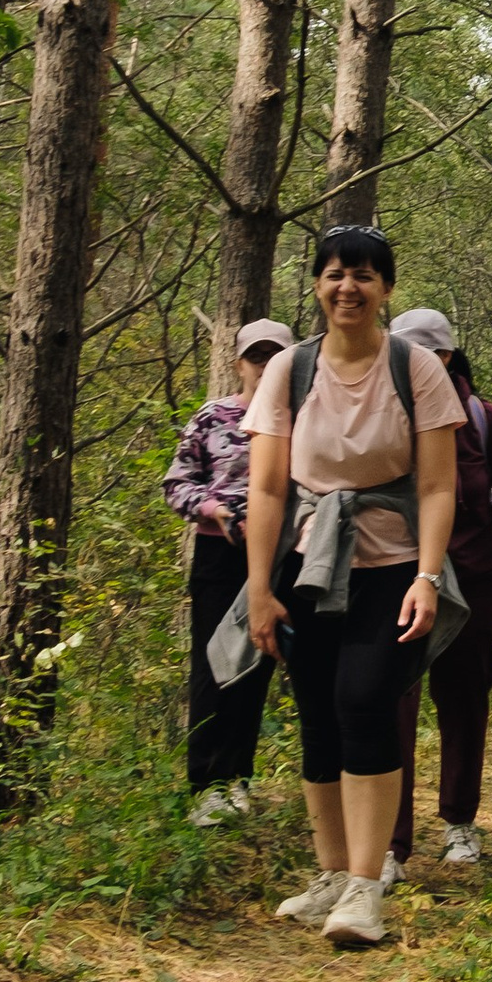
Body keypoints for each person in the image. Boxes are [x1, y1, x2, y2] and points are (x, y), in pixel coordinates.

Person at [243, 225, 461, 952]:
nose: (349, 288)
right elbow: (268, 488)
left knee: (364, 700)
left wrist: (428, 576)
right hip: (307, 565)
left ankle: (368, 886)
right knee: (316, 712)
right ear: (317, 285)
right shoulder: (289, 372)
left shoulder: (415, 369)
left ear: (386, 289)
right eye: (337, 274)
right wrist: (258, 588)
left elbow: (437, 484)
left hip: (392, 565)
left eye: (365, 276)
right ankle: (331, 872)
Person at [386, 310, 492, 871]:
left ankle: (459, 823)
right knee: (392, 707)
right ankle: (390, 842)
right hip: (397, 580)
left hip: (474, 587)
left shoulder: (484, 420)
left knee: (464, 703)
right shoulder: (385, 416)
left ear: (444, 357)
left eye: (417, 353)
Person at [162, 318, 291, 817]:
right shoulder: (212, 417)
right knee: (213, 663)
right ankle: (206, 783)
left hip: (280, 554)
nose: (264, 367)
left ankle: (238, 777)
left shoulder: (300, 418)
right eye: (256, 357)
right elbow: (177, 483)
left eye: (274, 357)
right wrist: (214, 509)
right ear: (239, 363)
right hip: (220, 552)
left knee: (257, 663)